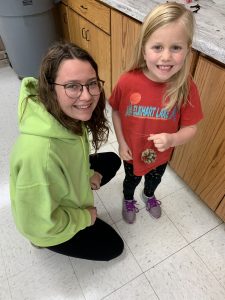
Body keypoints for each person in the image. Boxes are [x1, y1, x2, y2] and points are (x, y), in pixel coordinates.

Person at [10, 41, 124, 261]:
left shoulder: (64, 115)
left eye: (91, 83)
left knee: (110, 161)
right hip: (45, 228)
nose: (87, 96)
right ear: (50, 88)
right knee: (113, 248)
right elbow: (35, 222)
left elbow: (72, 158)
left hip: (63, 183)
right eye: (72, 86)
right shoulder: (38, 156)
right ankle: (43, 244)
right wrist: (84, 217)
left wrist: (88, 175)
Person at [109, 2, 203, 224]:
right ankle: (129, 198)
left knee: (154, 180)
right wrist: (121, 143)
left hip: (161, 156)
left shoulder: (186, 87)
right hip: (131, 152)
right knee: (130, 180)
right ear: (144, 48)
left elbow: (191, 127)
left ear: (187, 49)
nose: (166, 57)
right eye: (157, 47)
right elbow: (116, 112)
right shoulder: (127, 81)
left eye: (176, 48)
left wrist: (173, 139)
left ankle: (149, 195)